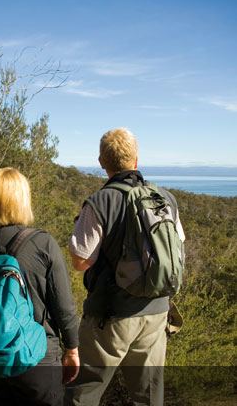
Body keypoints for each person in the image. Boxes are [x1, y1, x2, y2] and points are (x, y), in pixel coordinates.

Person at [64, 128, 185, 406]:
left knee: (84, 392)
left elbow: (81, 262)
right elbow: (178, 244)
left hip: (111, 315)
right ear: (136, 159)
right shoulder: (164, 198)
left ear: (101, 162)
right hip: (156, 312)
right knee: (149, 395)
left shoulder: (99, 202)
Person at [0, 167, 80, 406]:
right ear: (23, 200)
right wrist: (72, 349)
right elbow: (64, 306)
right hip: (36, 358)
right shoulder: (42, 243)